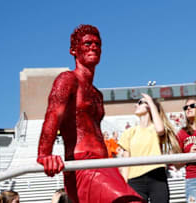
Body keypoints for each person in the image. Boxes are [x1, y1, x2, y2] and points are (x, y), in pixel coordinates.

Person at [36, 24, 144, 203]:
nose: (93, 46)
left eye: (97, 43)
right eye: (87, 43)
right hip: (82, 164)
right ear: (73, 50)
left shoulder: (97, 94)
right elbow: (53, 116)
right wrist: (44, 154)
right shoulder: (67, 80)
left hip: (104, 163)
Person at [119, 93, 181, 203]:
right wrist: (124, 185)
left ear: (149, 106)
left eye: (140, 103)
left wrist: (151, 102)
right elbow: (125, 163)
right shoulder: (129, 132)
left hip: (157, 176)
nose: (135, 105)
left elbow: (160, 129)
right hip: (135, 179)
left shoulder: (156, 128)